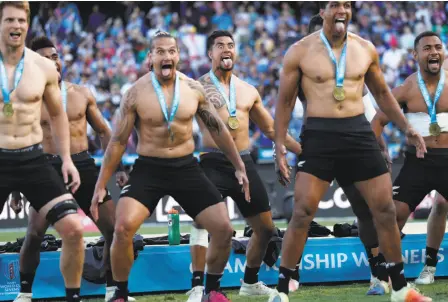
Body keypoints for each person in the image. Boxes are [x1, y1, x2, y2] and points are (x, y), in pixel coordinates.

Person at [270, 2, 430, 302]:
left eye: (346, 4)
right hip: (319, 135)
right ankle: (281, 290)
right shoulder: (300, 51)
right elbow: (284, 102)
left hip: (358, 133)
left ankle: (399, 288)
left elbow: (382, 93)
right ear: (322, 11)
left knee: (384, 210)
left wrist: (406, 127)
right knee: (302, 212)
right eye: (334, 5)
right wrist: (279, 146)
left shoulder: (365, 48)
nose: (341, 9)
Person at [90, 31, 250, 302]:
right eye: (160, 52)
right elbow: (117, 142)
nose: (167, 56)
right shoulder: (135, 93)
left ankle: (212, 290)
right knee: (121, 229)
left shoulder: (193, 89)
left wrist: (239, 166)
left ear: (178, 55)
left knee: (223, 229)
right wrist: (100, 183)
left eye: (171, 51)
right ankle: (120, 293)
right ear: (150, 57)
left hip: (186, 167)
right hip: (149, 169)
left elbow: (218, 129)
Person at [10, 36, 133, 302]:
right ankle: (24, 292)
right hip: (45, 167)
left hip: (84, 165)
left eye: (54, 56)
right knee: (34, 234)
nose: (52, 62)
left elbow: (104, 131)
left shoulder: (82, 93)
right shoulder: (26, 99)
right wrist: (17, 190)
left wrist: (118, 167)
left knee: (113, 229)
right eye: (44, 58)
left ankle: (115, 291)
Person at [185, 30, 301, 302]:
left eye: (230, 45)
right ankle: (198, 286)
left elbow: (272, 129)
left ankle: (249, 282)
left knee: (265, 228)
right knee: (204, 223)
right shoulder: (196, 87)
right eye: (220, 46)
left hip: (245, 161)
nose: (226, 50)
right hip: (212, 162)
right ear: (209, 54)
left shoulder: (248, 90)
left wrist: (303, 151)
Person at [285, 13, 393, 295]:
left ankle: (377, 272)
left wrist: (377, 143)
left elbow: (367, 102)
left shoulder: (348, 60)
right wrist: (289, 148)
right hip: (318, 144)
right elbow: (287, 108)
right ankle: (290, 271)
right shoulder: (300, 61)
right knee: (302, 212)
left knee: (365, 209)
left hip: (353, 141)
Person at [0, 2, 84, 302]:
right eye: (10, 19)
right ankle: (22, 293)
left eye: (21, 20)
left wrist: (66, 160)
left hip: (34, 160)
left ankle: (72, 297)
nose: (16, 25)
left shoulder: (43, 67)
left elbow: (58, 115)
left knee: (74, 230)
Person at [371, 31, 448, 286]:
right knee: (394, 214)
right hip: (418, 162)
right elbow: (377, 122)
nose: (434, 52)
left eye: (438, 47)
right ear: (415, 55)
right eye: (427, 48)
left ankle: (429, 267)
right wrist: (378, 156)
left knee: (440, 207)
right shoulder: (406, 88)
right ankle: (383, 274)